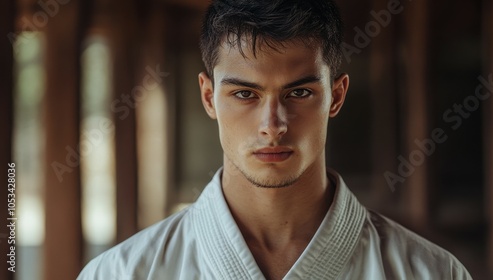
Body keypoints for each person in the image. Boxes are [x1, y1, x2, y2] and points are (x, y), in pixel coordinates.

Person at [78, 0, 472, 279]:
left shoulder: (432, 272)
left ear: (336, 95)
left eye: (298, 93)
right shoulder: (122, 272)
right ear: (208, 96)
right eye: (245, 94)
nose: (272, 124)